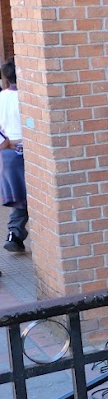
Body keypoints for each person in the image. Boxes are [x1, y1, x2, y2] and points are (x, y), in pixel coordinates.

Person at [0, 60, 26, 254]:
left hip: (7, 154)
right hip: (25, 151)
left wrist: (6, 143)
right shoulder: (26, 98)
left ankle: (14, 234)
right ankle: (14, 234)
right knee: (32, 196)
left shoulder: (1, 97)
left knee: (20, 199)